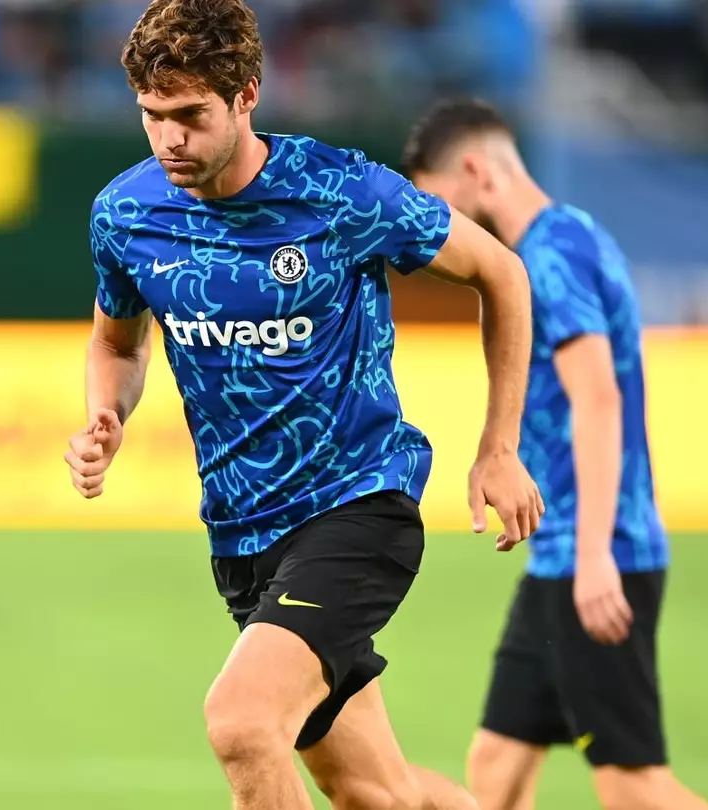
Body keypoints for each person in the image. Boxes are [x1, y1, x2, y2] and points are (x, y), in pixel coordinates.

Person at [61, 3, 545, 809]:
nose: (170, 139)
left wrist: (498, 447)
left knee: (242, 723)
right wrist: (105, 416)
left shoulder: (341, 193)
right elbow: (116, 343)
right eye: (153, 116)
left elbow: (501, 272)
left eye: (191, 116)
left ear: (247, 95)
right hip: (242, 535)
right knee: (376, 794)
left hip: (357, 509)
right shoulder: (127, 214)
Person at [402, 98, 708, 810]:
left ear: (477, 171)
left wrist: (596, 551)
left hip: (598, 555)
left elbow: (598, 398)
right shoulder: (569, 236)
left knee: (632, 787)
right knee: (497, 766)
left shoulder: (549, 257)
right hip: (562, 557)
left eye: (438, 202)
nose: (436, 228)